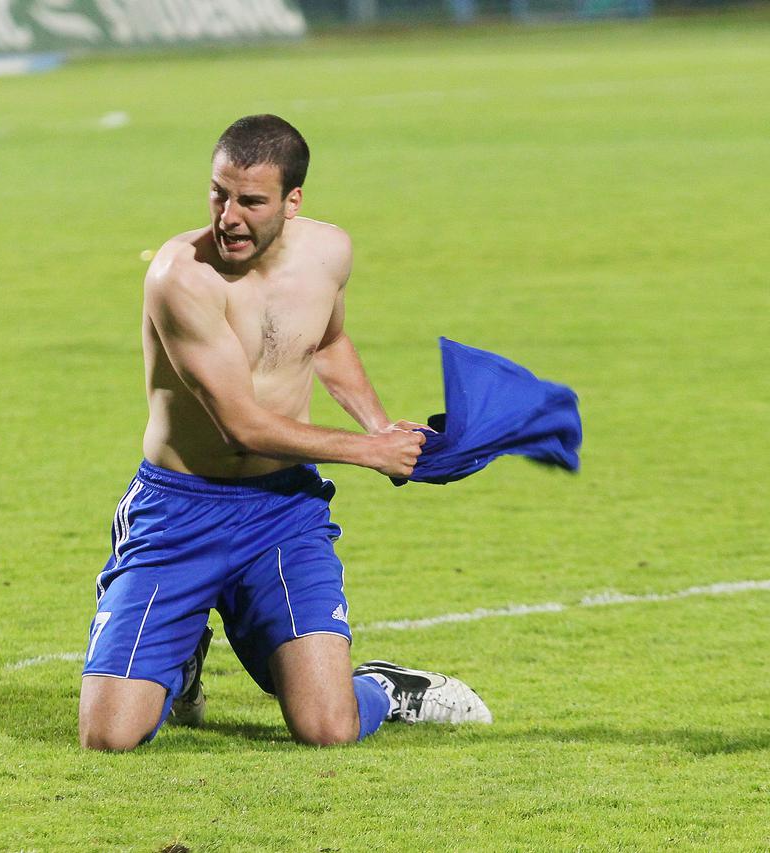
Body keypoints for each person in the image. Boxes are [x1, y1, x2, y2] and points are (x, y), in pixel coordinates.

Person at [78, 115, 493, 752]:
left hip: (280, 513)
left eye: (251, 200)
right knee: (109, 737)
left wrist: (382, 425)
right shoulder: (179, 277)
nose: (229, 216)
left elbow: (325, 341)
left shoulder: (329, 253)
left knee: (328, 728)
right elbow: (240, 425)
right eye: (219, 194)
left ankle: (384, 687)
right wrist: (369, 450)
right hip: (177, 513)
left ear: (292, 202)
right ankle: (179, 655)